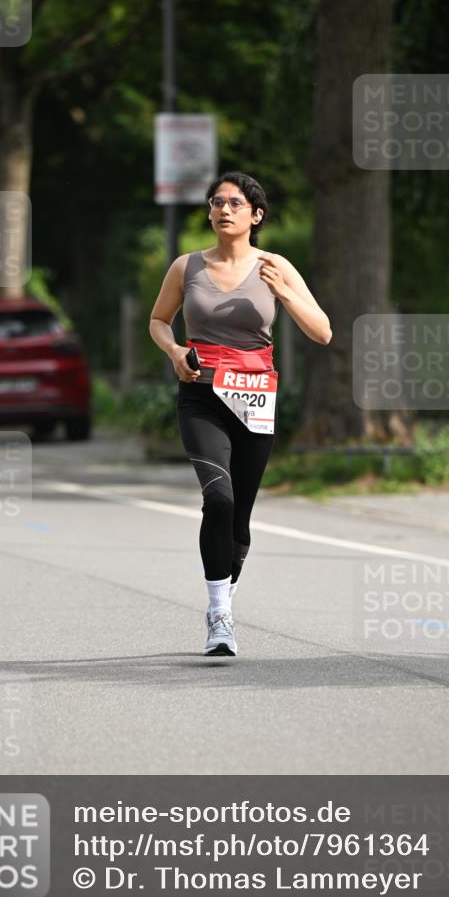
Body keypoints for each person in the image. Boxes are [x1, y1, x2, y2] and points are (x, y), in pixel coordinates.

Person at [149, 171, 332, 656]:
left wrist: (286, 293)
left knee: (241, 515)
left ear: (256, 214)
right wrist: (174, 352)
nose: (224, 210)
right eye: (216, 202)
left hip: (255, 398)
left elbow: (323, 332)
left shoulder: (275, 266)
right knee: (221, 500)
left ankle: (224, 597)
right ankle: (219, 615)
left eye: (234, 203)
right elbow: (158, 320)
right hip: (202, 395)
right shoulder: (186, 267)